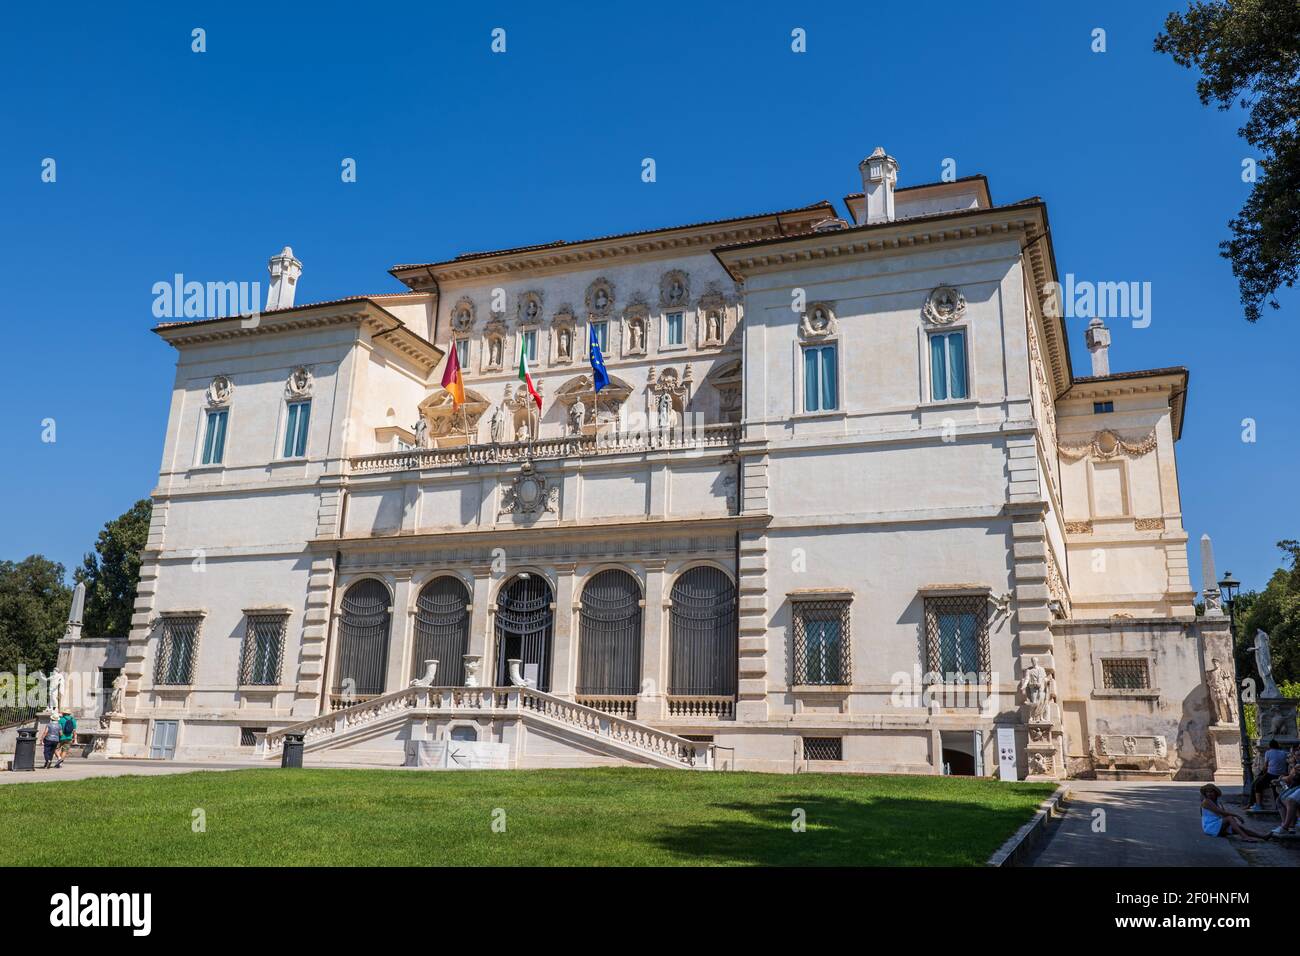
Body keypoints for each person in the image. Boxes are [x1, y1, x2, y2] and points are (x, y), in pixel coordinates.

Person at [1201, 784, 1268, 841]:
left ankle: (1263, 837)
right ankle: (1245, 837)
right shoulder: (1206, 801)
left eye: (1211, 792)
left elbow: (1224, 814)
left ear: (1215, 792)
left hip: (1218, 824)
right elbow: (1222, 812)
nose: (1209, 794)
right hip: (1210, 826)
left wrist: (1234, 824)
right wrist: (1236, 816)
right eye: (1207, 792)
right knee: (1229, 818)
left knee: (1241, 828)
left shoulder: (1218, 802)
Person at [1249, 739, 1290, 811]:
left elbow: (1265, 766)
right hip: (1282, 775)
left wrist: (1262, 773)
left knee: (1257, 785)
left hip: (1271, 774)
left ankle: (1258, 805)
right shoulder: (1283, 753)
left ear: (1269, 746)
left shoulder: (1268, 753)